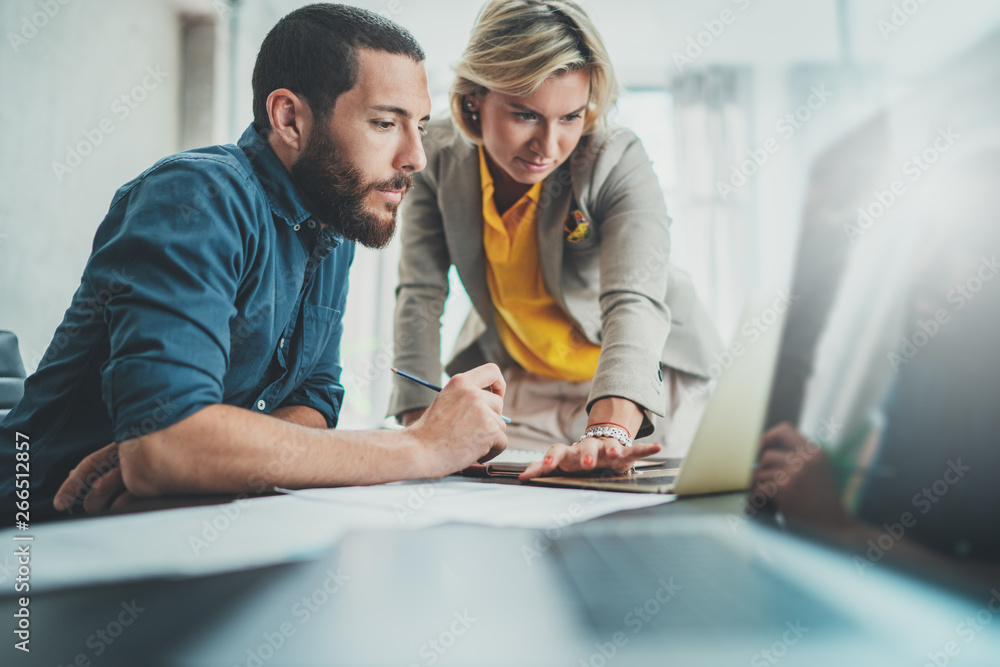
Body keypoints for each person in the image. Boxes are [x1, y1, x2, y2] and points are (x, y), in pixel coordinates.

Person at [0, 3, 508, 524]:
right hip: (36, 533)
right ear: (289, 117)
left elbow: (315, 399)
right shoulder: (196, 197)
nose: (416, 157)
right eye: (384, 123)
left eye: (420, 126)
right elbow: (166, 448)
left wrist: (209, 451)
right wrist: (420, 448)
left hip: (161, 531)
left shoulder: (333, 219)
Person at [389, 0, 722, 479]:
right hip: (526, 379)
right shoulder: (436, 153)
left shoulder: (615, 158)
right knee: (493, 495)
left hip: (649, 380)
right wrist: (418, 427)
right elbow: (421, 293)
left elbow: (634, 300)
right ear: (473, 101)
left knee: (631, 509)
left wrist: (609, 432)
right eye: (525, 115)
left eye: (570, 117)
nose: (548, 146)